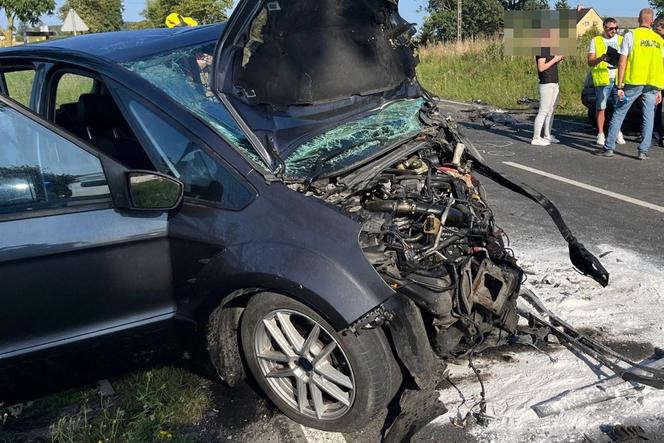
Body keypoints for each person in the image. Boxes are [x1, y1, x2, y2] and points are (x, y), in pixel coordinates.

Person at [598, 8, 664, 160]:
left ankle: (609, 147)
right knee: (648, 116)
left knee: (619, 112)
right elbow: (661, 64)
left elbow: (622, 62)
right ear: (652, 21)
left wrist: (619, 85)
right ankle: (643, 151)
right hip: (653, 84)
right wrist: (660, 89)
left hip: (633, 82)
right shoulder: (659, 40)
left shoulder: (631, 35)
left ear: (638, 19)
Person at [587, 17, 626, 146]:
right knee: (601, 107)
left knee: (619, 106)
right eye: (611, 28)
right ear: (604, 28)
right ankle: (600, 133)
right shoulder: (596, 40)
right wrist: (601, 58)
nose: (613, 31)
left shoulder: (621, 40)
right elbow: (590, 62)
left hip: (618, 79)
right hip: (603, 78)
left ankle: (617, 131)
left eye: (616, 28)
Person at [532, 54, 563, 146]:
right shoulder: (542, 49)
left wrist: (559, 59)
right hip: (546, 84)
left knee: (551, 111)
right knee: (543, 111)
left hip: (554, 82)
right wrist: (555, 59)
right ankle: (536, 138)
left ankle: (547, 135)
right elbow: (541, 68)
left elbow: (551, 64)